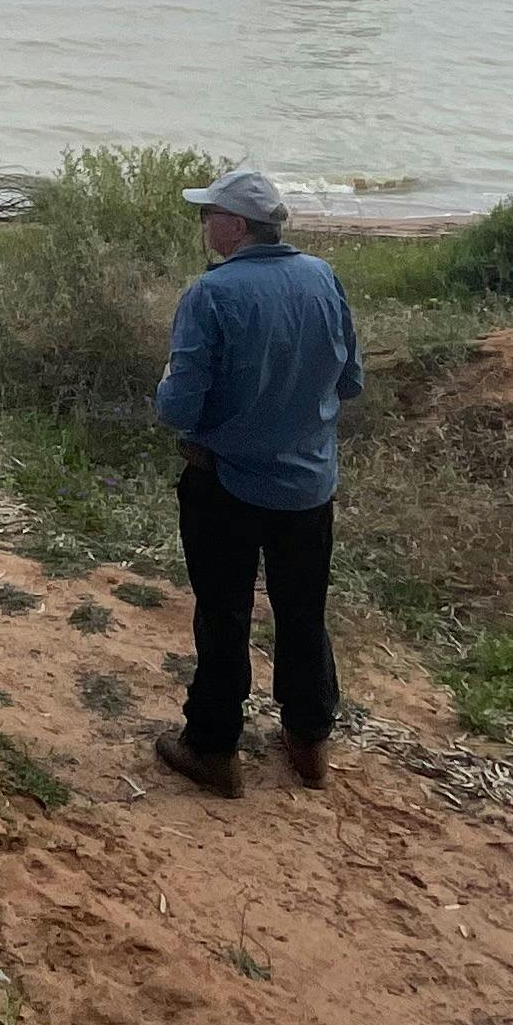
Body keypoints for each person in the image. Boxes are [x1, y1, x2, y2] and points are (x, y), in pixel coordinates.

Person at [149, 163, 361, 796]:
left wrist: (169, 388)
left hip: (225, 484)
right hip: (309, 484)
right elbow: (349, 381)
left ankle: (214, 748)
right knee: (303, 612)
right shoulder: (322, 278)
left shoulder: (210, 295)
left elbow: (177, 409)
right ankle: (310, 743)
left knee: (224, 614)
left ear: (235, 226)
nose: (204, 225)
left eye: (209, 215)